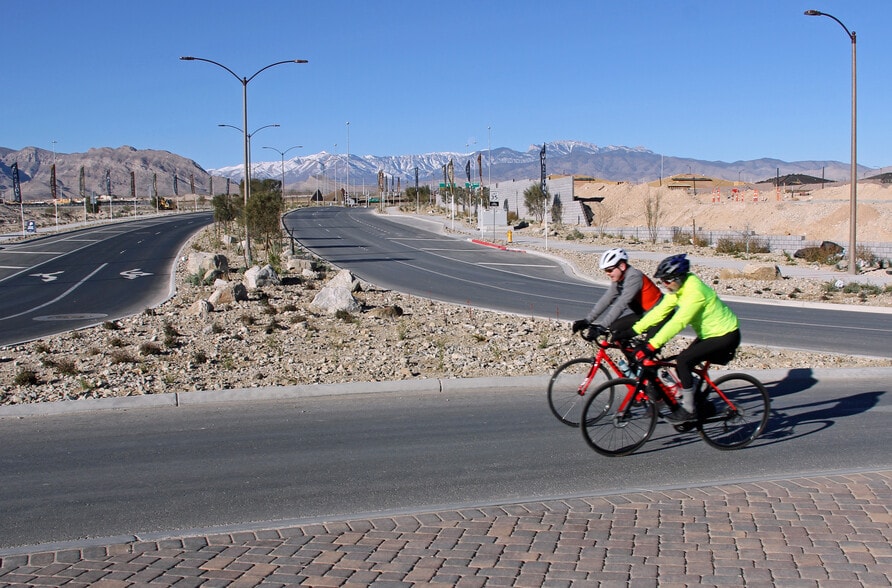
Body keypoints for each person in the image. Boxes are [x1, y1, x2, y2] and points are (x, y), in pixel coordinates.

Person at [627, 253, 741, 423]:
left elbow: (678, 322)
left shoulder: (695, 292)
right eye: (662, 281)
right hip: (710, 334)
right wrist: (634, 330)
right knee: (681, 365)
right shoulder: (679, 287)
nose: (664, 285)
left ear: (678, 277)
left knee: (683, 361)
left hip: (725, 335)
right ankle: (700, 403)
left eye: (666, 281)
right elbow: (660, 311)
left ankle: (688, 409)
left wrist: (651, 346)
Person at [571, 248, 663, 337]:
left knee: (645, 349)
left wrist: (602, 327)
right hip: (643, 314)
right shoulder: (619, 279)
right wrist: (587, 320)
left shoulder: (634, 277)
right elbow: (607, 299)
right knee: (614, 329)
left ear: (622, 266)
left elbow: (621, 304)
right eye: (605, 271)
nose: (607, 273)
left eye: (609, 270)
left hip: (659, 314)